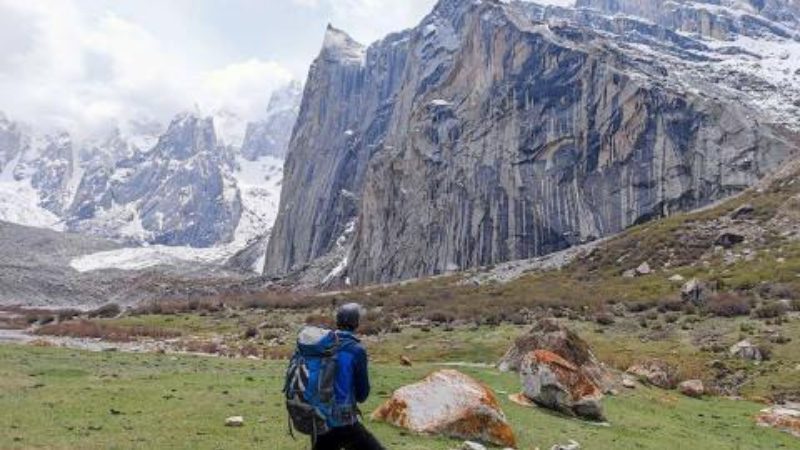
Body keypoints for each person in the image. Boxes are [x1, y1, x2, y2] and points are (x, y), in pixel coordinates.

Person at [312, 303, 385, 450]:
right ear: (356, 323)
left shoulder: (321, 345)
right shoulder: (356, 350)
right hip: (344, 420)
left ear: (337, 322)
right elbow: (362, 395)